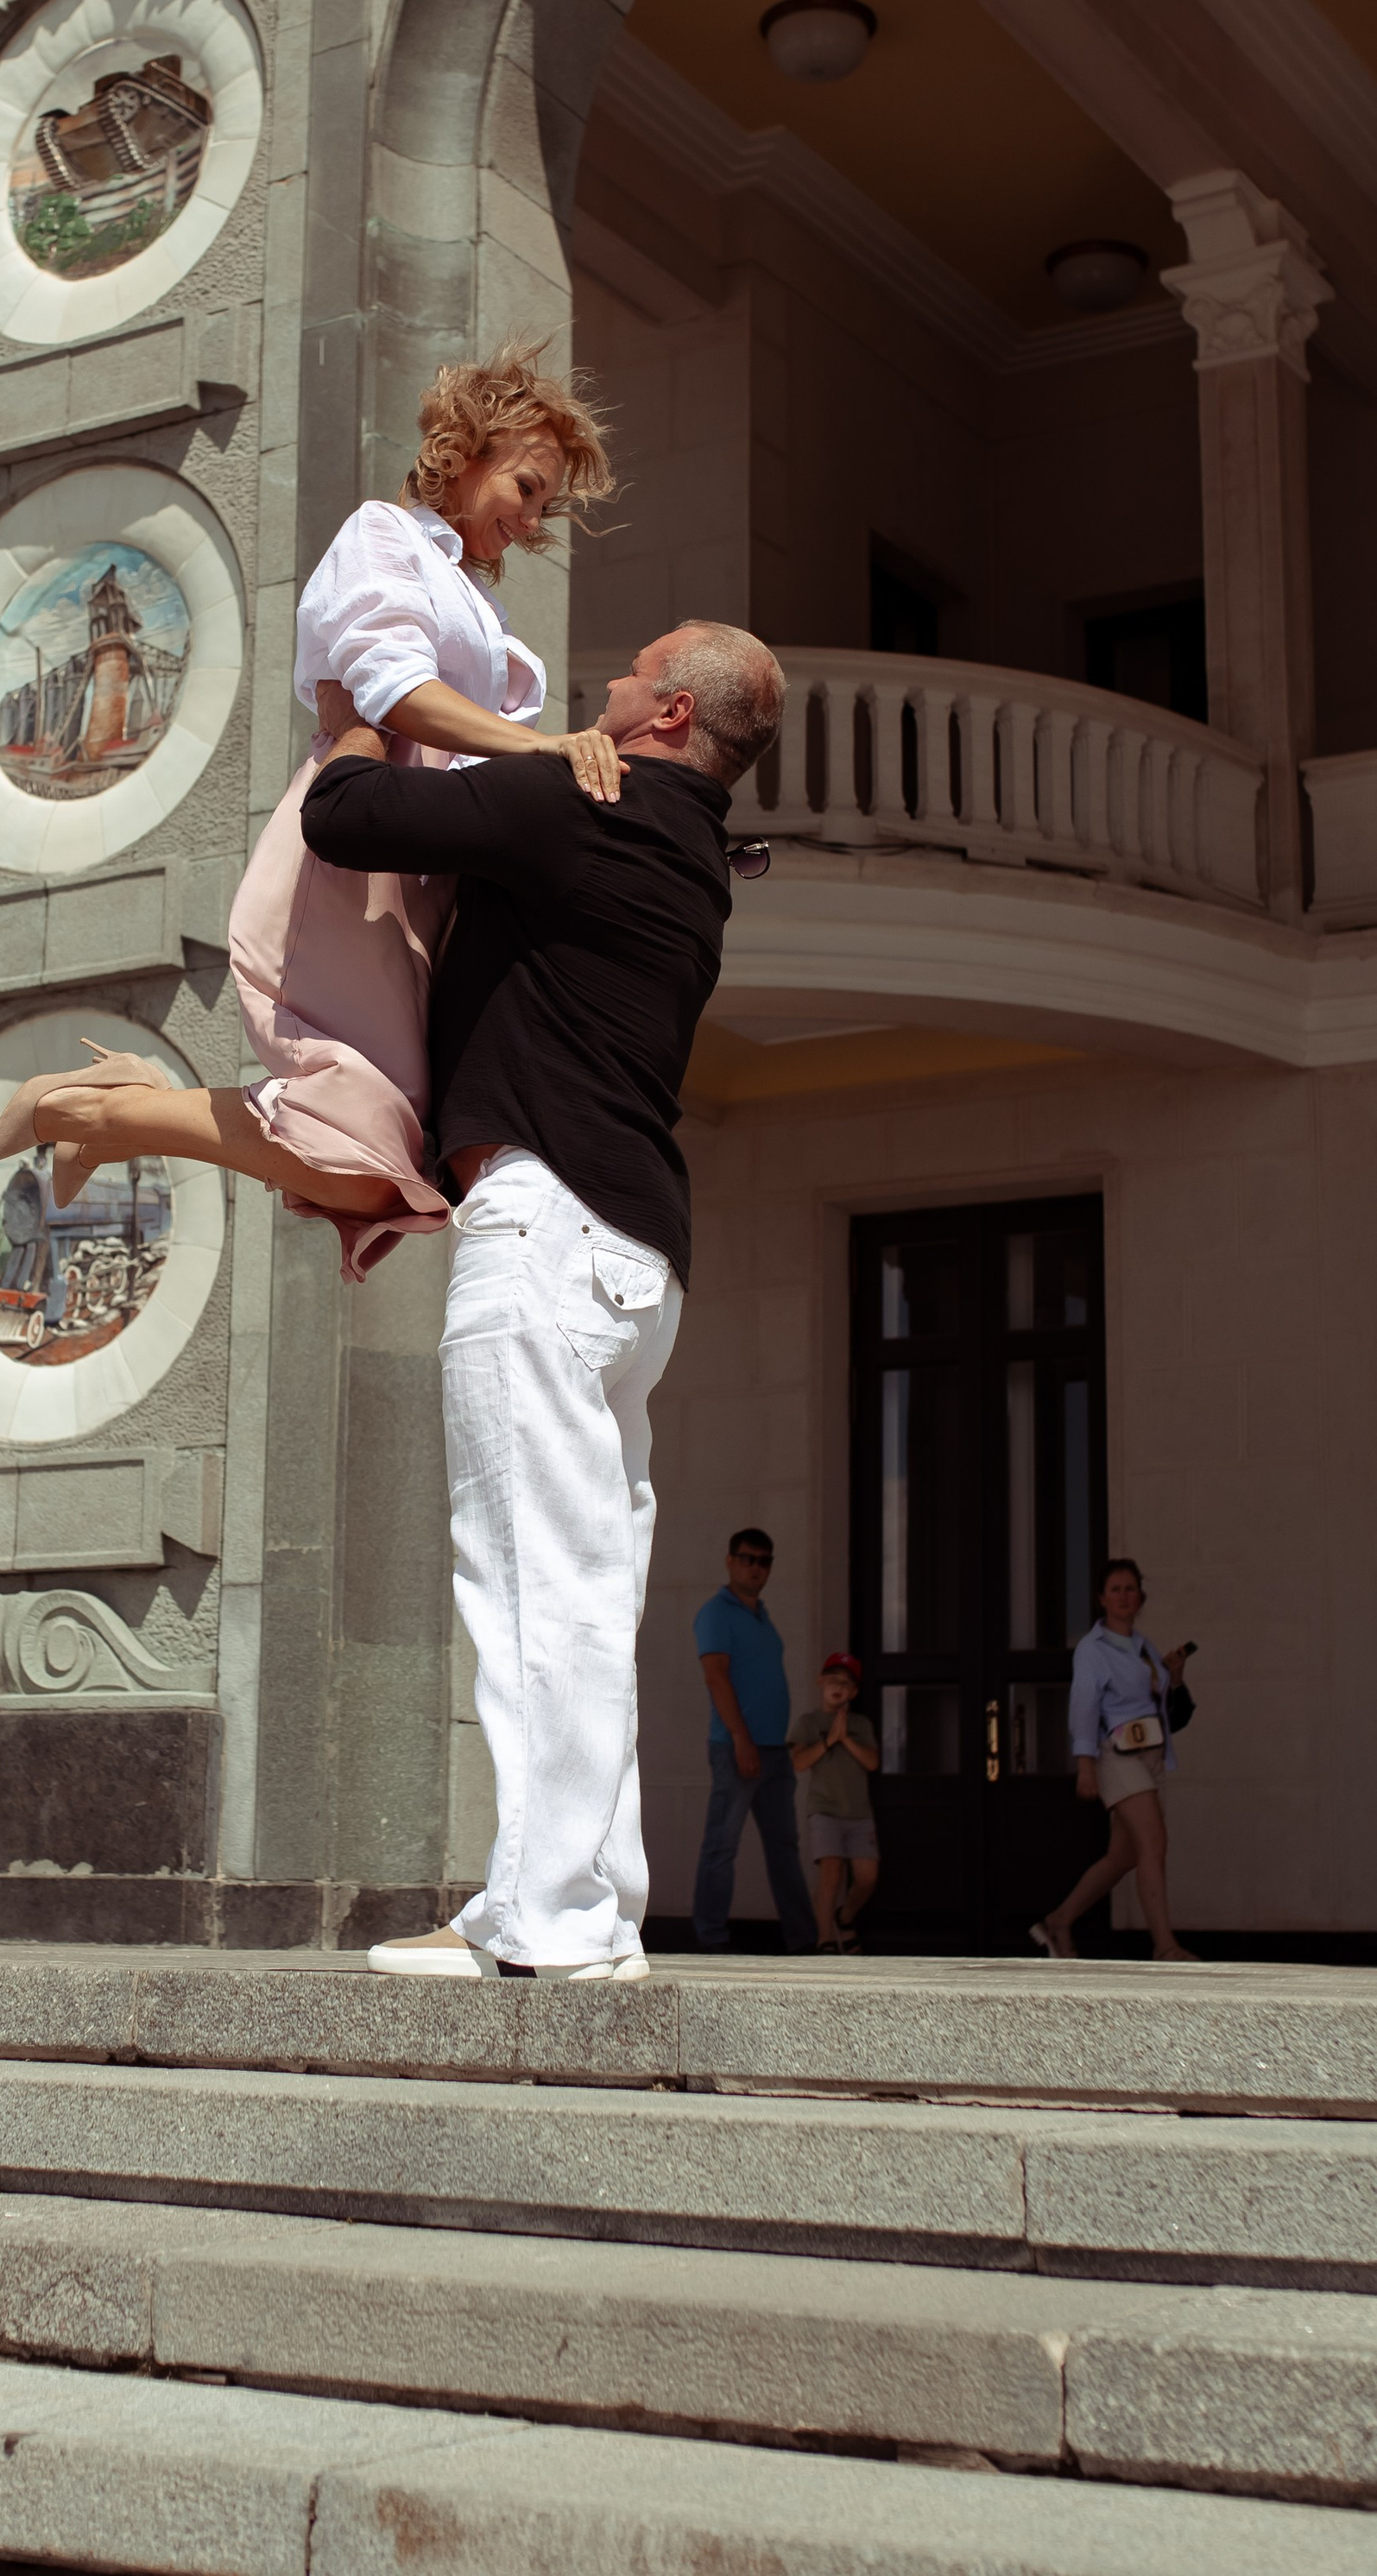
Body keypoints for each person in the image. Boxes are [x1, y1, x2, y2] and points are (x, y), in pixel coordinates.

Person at [286, 619, 786, 1978]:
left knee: (529, 1582)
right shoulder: (689, 850)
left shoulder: (584, 793)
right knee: (585, 1586)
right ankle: (594, 1909)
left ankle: (545, 1918)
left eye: (631, 673)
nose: (602, 690)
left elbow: (350, 814)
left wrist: (347, 700)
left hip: (549, 1230)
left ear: (669, 714)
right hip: (632, 1259)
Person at [0, 344, 616, 1266]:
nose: (528, 519)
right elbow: (392, 691)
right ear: (471, 446)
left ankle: (115, 1108)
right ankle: (90, 1107)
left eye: (542, 504)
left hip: (428, 868)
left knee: (395, 1149)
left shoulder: (469, 595)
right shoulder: (383, 537)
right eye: (524, 486)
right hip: (364, 850)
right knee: (368, 1146)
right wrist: (550, 747)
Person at [1033, 1558, 1196, 1964]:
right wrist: (1085, 1763)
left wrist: (1174, 1677)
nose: (1124, 1596)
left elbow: (1162, 1708)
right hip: (1117, 1756)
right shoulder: (1093, 1650)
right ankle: (1165, 1947)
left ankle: (1058, 1920)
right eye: (1116, 1589)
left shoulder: (1144, 1646)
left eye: (1131, 1588)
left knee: (1124, 1856)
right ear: (1102, 1599)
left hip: (1150, 1755)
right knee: (1155, 1842)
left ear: (1140, 1596)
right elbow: (1084, 1706)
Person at [691, 1529, 815, 1952]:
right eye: (748, 1559)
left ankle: (803, 1941)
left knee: (785, 1848)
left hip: (775, 1751)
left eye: (765, 1561)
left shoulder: (762, 1614)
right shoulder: (716, 1613)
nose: (756, 1568)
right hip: (737, 1748)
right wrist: (741, 1737)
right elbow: (716, 1677)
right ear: (730, 1560)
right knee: (721, 1847)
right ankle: (710, 1941)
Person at [790, 1652, 881, 1953]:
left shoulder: (860, 1723)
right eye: (832, 1680)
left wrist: (844, 1737)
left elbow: (872, 1762)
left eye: (845, 1682)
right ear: (820, 1682)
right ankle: (825, 1939)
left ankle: (846, 1916)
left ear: (854, 1691)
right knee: (831, 1872)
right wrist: (829, 1739)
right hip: (824, 1810)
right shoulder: (809, 1722)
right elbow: (799, 1762)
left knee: (867, 1877)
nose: (837, 1687)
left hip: (858, 1812)